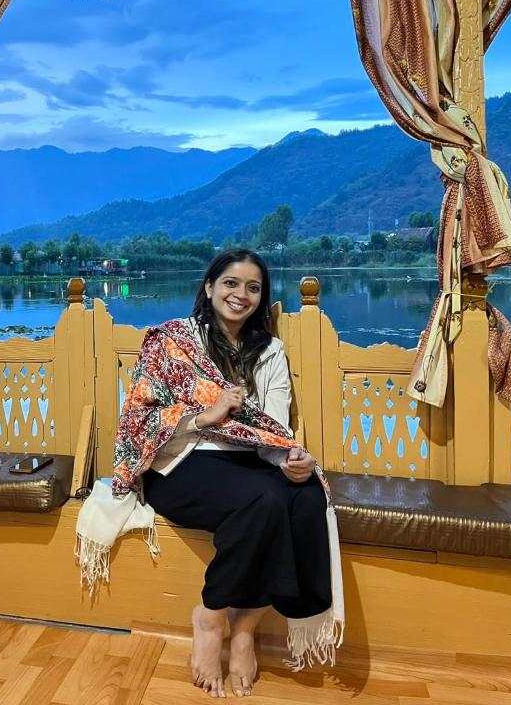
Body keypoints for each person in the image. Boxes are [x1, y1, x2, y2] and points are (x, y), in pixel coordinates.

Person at [76, 248, 343, 699]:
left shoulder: (270, 353)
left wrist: (294, 463)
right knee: (265, 500)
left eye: (253, 287)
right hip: (180, 463)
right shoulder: (173, 341)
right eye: (231, 284)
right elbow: (138, 420)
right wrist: (207, 415)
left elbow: (272, 428)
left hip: (249, 464)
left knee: (307, 496)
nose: (241, 295)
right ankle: (211, 615)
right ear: (209, 288)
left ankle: (244, 629)